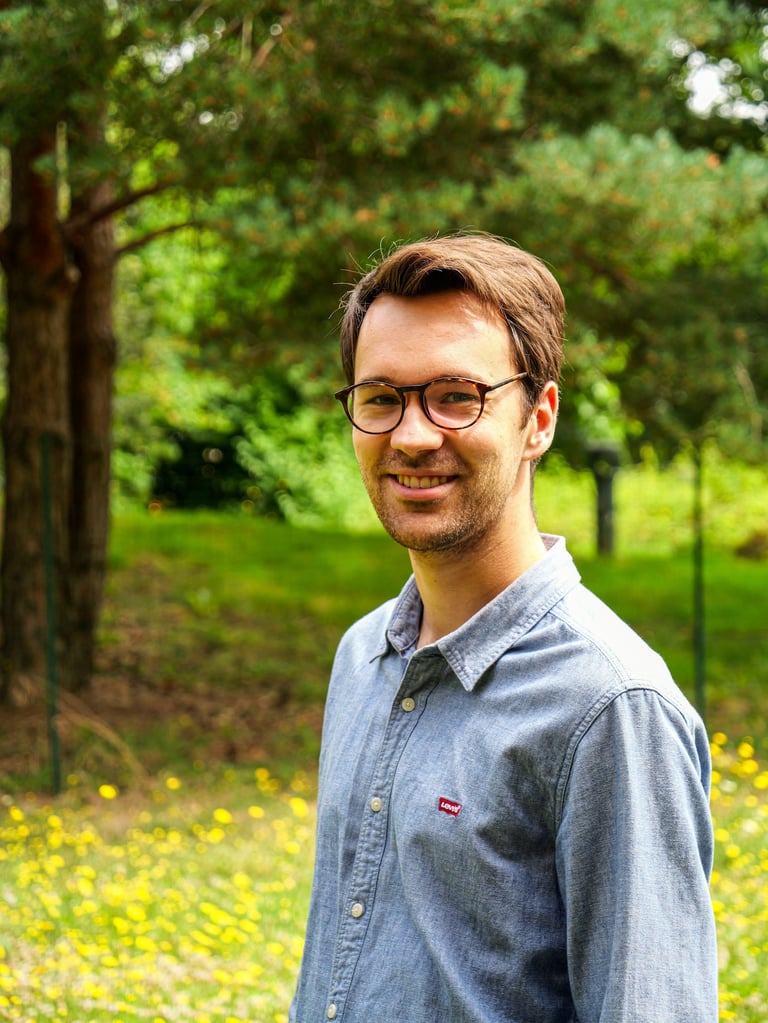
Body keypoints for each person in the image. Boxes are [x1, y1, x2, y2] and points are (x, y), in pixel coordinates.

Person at [290, 234, 718, 1023]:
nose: (413, 435)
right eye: (381, 396)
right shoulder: (363, 656)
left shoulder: (608, 707)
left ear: (539, 419)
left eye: (457, 395)